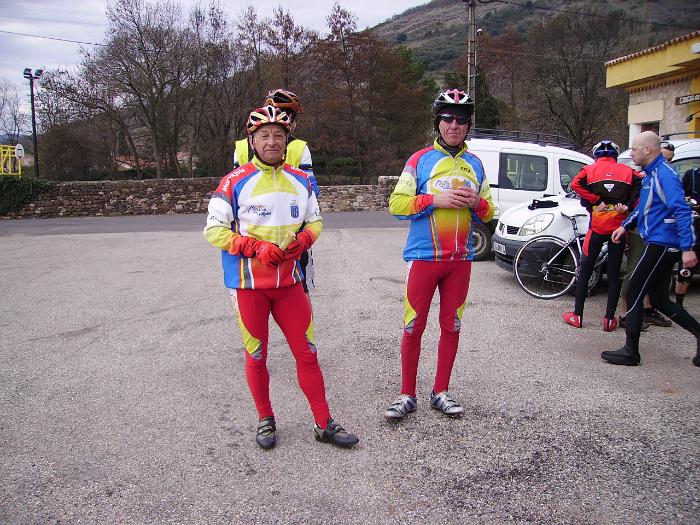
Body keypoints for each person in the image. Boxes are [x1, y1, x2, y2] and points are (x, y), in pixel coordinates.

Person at [204, 105, 359, 448]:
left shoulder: (300, 180)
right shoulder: (234, 181)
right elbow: (213, 230)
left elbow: (315, 221)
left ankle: (323, 423)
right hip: (248, 286)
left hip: (290, 285)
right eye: (264, 136)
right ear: (252, 141)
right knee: (257, 355)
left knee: (307, 354)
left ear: (287, 140)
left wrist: (304, 240)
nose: (272, 141)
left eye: (278, 135)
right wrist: (253, 247)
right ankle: (265, 419)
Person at [384, 89, 495, 419]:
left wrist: (477, 203)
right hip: (423, 257)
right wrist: (435, 200)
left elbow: (491, 212)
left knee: (452, 325)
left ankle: (441, 392)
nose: (454, 125)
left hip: (459, 261)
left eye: (461, 119)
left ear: (468, 125)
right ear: (438, 123)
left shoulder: (476, 164)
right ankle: (407, 395)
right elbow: (397, 205)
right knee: (412, 326)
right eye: (447, 118)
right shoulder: (420, 160)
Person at [602, 131, 700, 367]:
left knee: (633, 291)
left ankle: (631, 351)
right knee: (658, 299)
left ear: (648, 149)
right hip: (658, 242)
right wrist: (625, 226)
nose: (632, 154)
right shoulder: (651, 174)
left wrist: (687, 247)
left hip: (661, 244)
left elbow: (682, 210)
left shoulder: (665, 175)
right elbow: (644, 208)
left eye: (635, 149)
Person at [233, 88, 319, 301]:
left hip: (250, 235)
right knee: (300, 290)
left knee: (251, 294)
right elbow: (313, 191)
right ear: (291, 120)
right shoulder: (298, 147)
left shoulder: (242, 146)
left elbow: (234, 191)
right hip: (293, 233)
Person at [562, 140, 641, 331]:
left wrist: (595, 200)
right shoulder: (629, 172)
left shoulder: (589, 170)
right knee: (613, 275)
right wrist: (628, 206)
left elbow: (575, 184)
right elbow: (641, 188)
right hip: (618, 229)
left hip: (597, 228)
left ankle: (577, 316)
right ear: (615, 154)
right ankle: (609, 320)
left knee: (585, 271)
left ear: (596, 154)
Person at [674, 167, 700, 306]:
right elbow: (681, 200)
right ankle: (679, 306)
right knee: (686, 270)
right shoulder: (692, 175)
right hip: (695, 230)